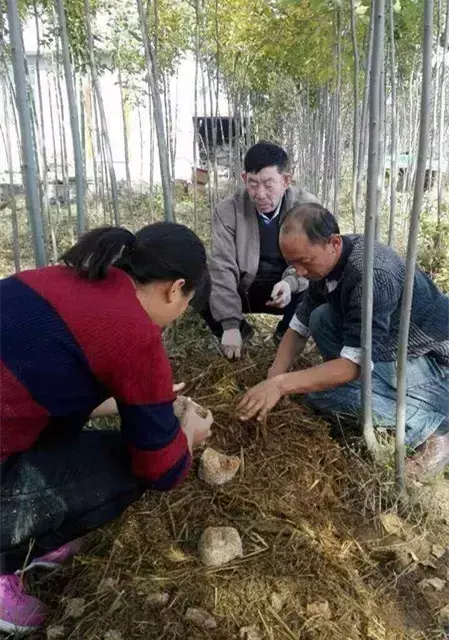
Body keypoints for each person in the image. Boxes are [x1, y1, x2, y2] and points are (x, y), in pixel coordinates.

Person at [0, 223, 213, 634]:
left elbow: (42, 389)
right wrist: (186, 431)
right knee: (130, 462)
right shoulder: (135, 334)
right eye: (186, 302)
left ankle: (34, 539)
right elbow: (162, 468)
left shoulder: (62, 278)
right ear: (176, 289)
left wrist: (131, 398)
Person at [238, 203, 449, 476]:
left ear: (334, 243)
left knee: (322, 395)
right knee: (320, 318)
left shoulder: (372, 275)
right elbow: (299, 327)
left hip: (432, 365)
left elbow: (353, 366)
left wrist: (281, 385)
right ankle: (379, 397)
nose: (299, 272)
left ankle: (434, 428)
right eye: (292, 263)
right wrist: (273, 376)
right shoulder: (325, 266)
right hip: (390, 350)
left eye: (304, 261)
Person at [201, 141, 319, 359]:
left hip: (289, 290)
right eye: (253, 184)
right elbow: (222, 267)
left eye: (268, 184)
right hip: (245, 288)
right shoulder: (228, 210)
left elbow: (312, 261)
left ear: (285, 180)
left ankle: (287, 333)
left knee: (322, 282)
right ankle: (239, 332)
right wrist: (229, 324)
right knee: (199, 281)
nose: (260, 194)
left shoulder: (307, 207)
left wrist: (290, 283)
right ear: (244, 179)